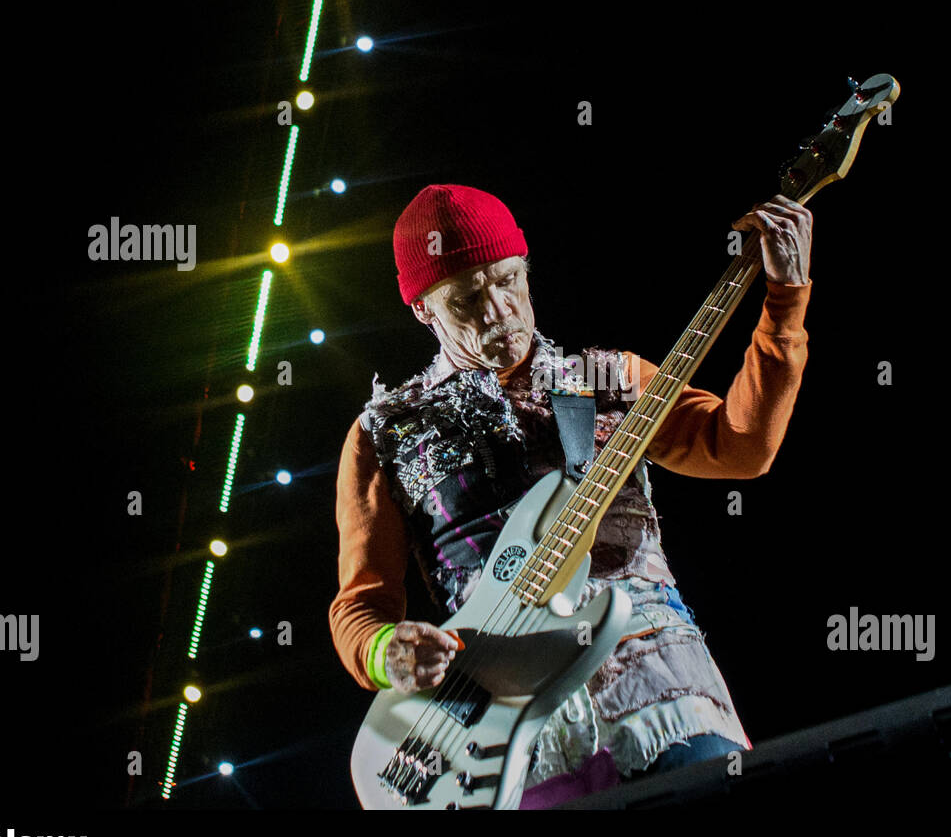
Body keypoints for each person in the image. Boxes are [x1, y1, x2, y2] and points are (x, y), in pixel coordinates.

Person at [332, 183, 813, 805]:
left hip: (658, 689)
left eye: (508, 280)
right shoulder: (385, 430)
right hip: (502, 734)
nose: (497, 309)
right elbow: (361, 604)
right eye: (467, 298)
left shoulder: (605, 377)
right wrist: (382, 653)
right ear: (424, 310)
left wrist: (784, 302)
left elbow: (742, 447)